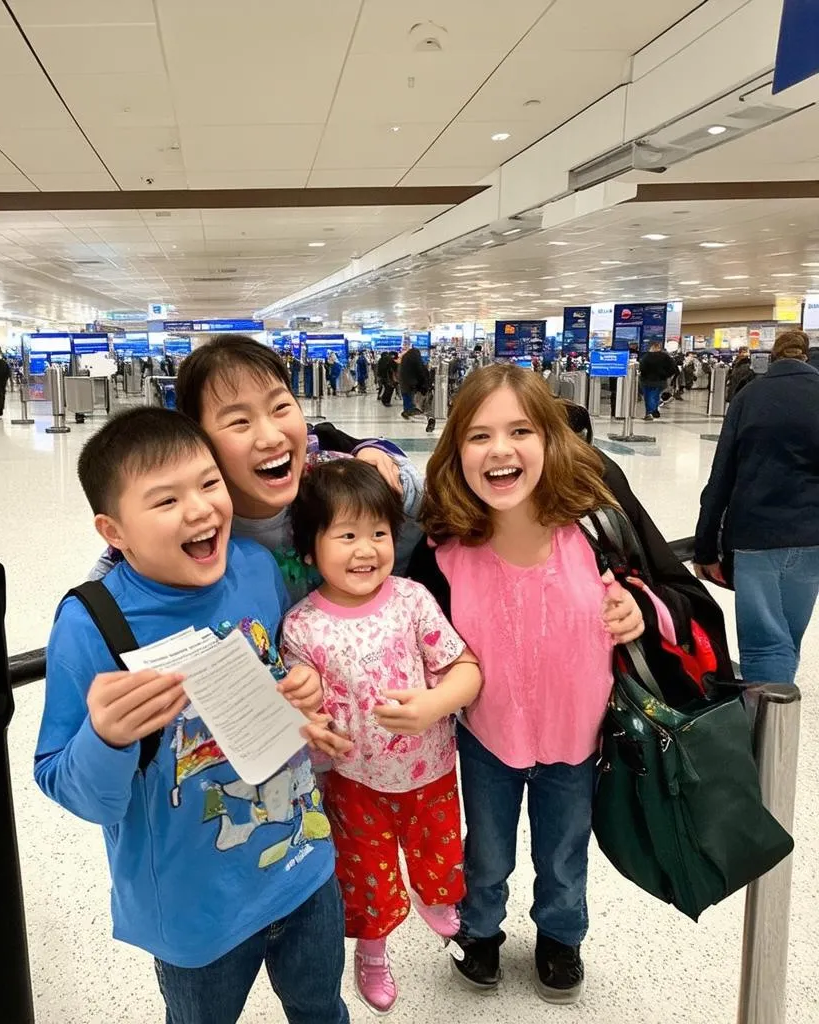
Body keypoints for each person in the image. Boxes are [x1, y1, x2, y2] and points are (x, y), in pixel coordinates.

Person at [35, 407, 351, 1024]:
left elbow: (278, 671)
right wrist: (106, 737)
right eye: (165, 500)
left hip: (303, 862)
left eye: (209, 484)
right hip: (194, 908)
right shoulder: (92, 626)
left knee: (320, 1008)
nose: (201, 509)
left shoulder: (255, 569)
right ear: (113, 531)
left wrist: (301, 687)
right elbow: (71, 787)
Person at [406, 365, 708, 1005]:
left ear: (551, 438)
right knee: (486, 850)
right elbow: (405, 632)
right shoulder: (446, 549)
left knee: (564, 851)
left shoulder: (596, 530)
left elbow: (677, 599)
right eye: (480, 435)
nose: (501, 449)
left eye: (520, 430)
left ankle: (561, 936)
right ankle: (480, 930)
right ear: (456, 452)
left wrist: (637, 609)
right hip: (486, 738)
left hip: (578, 739)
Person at [281, 459, 481, 1014]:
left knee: (441, 858)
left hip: (430, 769)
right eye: (346, 535)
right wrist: (313, 728)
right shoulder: (301, 626)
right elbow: (301, 707)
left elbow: (467, 670)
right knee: (367, 880)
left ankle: (434, 895)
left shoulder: (412, 599)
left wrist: (436, 704)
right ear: (309, 549)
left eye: (378, 533)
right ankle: (371, 953)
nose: (366, 549)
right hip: (353, 782)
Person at [90, 335, 425, 601]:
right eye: (239, 421)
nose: (270, 436)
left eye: (280, 406)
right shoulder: (197, 521)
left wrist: (380, 455)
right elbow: (111, 580)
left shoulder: (334, 478)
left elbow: (424, 496)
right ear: (198, 439)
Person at [694, 329, 819, 685]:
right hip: (812, 537)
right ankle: (777, 720)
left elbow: (721, 478)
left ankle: (762, 732)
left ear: (773, 357)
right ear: (805, 356)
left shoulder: (750, 396)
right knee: (788, 639)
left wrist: (705, 548)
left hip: (756, 536)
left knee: (765, 646)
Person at [638, 343, 677, 421]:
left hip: (647, 380)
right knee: (655, 396)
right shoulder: (666, 357)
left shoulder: (646, 357)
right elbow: (673, 368)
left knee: (649, 397)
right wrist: (666, 375)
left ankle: (650, 412)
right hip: (660, 380)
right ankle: (653, 410)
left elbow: (642, 368)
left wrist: (643, 375)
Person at [399, 343, 433, 430]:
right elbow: (421, 373)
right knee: (421, 404)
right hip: (415, 386)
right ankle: (426, 418)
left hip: (405, 384)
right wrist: (424, 384)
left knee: (408, 399)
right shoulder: (417, 362)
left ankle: (408, 411)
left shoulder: (405, 361)